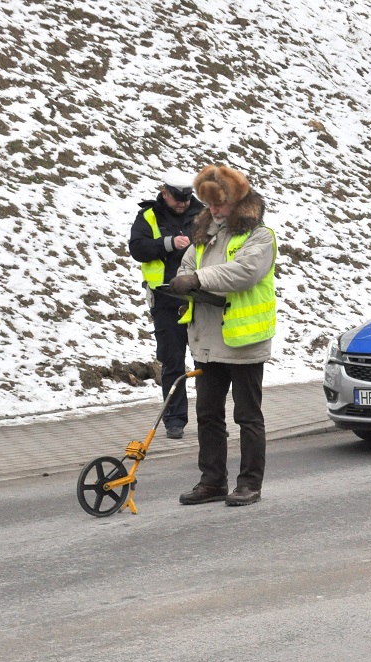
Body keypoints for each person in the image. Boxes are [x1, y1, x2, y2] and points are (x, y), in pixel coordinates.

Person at [169, 164, 276, 507]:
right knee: (208, 415)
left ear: (236, 199)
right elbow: (187, 265)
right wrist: (185, 279)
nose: (213, 210)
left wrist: (199, 280)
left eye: (219, 204)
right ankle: (212, 480)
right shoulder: (204, 234)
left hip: (243, 341)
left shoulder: (260, 236)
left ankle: (249, 483)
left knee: (247, 416)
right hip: (206, 340)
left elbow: (243, 272)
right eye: (209, 204)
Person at [128, 169, 204, 440]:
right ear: (164, 193)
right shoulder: (149, 216)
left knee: (205, 361)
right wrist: (168, 243)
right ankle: (174, 420)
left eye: (186, 197)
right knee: (172, 362)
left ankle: (209, 420)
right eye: (177, 197)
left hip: (200, 297)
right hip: (165, 298)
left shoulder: (203, 214)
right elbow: (137, 249)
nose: (182, 202)